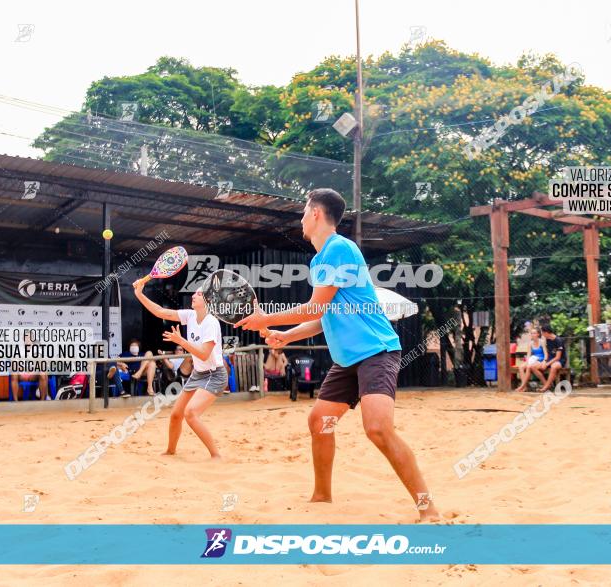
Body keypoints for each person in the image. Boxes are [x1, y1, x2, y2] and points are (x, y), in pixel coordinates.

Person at [236, 187, 438, 521]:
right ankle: (322, 497)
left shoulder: (339, 248)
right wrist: (285, 336)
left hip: (376, 351)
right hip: (348, 361)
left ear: (316, 213)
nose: (301, 219)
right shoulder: (320, 259)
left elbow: (315, 305)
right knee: (319, 422)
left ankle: (427, 508)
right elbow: (323, 316)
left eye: (303, 211)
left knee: (377, 429)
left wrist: (265, 319)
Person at [134, 281, 227, 459]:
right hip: (199, 374)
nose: (193, 295)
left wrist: (181, 341)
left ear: (208, 300)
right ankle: (170, 451)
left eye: (199, 294)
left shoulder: (211, 323)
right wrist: (139, 294)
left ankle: (216, 456)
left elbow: (204, 353)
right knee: (176, 414)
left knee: (191, 413)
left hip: (214, 375)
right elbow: (160, 312)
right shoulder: (190, 315)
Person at [532, 325, 567, 393]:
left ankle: (546, 386)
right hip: (550, 359)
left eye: (542, 333)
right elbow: (548, 353)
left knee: (553, 366)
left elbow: (558, 357)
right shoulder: (548, 340)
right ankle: (547, 384)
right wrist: (544, 361)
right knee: (533, 367)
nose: (542, 334)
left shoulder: (558, 340)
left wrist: (547, 363)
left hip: (559, 360)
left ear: (546, 332)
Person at [515, 327, 547, 393]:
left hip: (540, 359)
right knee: (521, 367)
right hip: (533, 359)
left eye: (534, 333)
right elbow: (528, 354)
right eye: (531, 333)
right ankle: (525, 386)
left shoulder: (542, 342)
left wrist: (544, 361)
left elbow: (546, 353)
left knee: (529, 367)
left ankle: (522, 386)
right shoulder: (530, 343)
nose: (532, 334)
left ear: (538, 334)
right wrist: (527, 362)